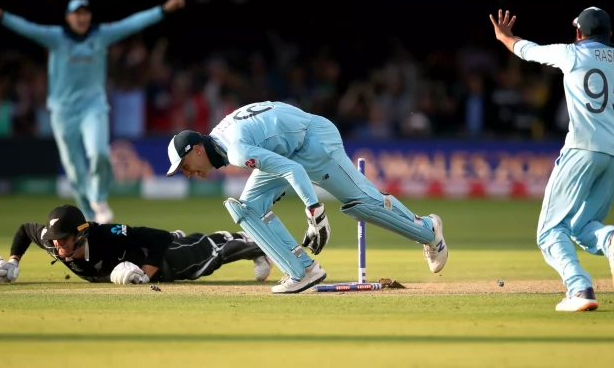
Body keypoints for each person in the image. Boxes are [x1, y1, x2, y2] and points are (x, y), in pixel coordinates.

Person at [489, 7, 614, 311]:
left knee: (550, 231)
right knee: (583, 225)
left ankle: (579, 288)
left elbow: (529, 51)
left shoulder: (572, 54)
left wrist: (505, 38)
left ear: (580, 33)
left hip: (584, 148)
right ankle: (610, 240)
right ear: (610, 35)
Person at [164, 102, 448, 294]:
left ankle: (428, 230)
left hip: (314, 143)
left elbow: (293, 169)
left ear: (197, 150)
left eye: (184, 166)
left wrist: (315, 211)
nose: (187, 174)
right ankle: (303, 270)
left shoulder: (236, 149)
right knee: (247, 208)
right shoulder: (221, 139)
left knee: (364, 205)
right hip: (291, 147)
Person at [0, 0, 187, 223]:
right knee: (74, 167)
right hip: (62, 111)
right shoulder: (56, 37)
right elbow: (26, 28)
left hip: (93, 107)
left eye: (85, 13)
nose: (82, 17)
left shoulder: (101, 35)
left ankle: (99, 198)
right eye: (77, 13)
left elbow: (132, 23)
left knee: (99, 153)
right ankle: (88, 213)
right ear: (68, 17)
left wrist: (164, 9)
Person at [0, 204, 273, 285]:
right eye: (55, 241)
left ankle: (257, 242)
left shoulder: (104, 234)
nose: (59, 247)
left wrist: (146, 274)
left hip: (162, 259)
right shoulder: (54, 244)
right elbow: (26, 230)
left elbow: (158, 237)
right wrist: (13, 262)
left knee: (207, 256)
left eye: (64, 240)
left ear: (82, 234)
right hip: (141, 257)